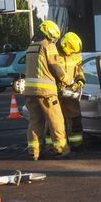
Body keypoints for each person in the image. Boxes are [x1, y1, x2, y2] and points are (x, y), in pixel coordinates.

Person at [24, 20, 72, 161]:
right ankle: (61, 150)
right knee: (56, 121)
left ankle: (34, 152)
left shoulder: (31, 47)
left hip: (30, 92)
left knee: (35, 122)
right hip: (46, 92)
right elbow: (55, 67)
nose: (54, 39)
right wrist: (67, 80)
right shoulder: (48, 45)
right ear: (49, 33)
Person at [57, 32, 85, 149]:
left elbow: (79, 70)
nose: (74, 52)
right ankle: (55, 146)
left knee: (75, 118)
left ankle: (76, 144)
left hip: (71, 93)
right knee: (56, 121)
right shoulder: (54, 54)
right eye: (72, 49)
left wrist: (80, 81)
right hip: (56, 93)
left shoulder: (76, 55)